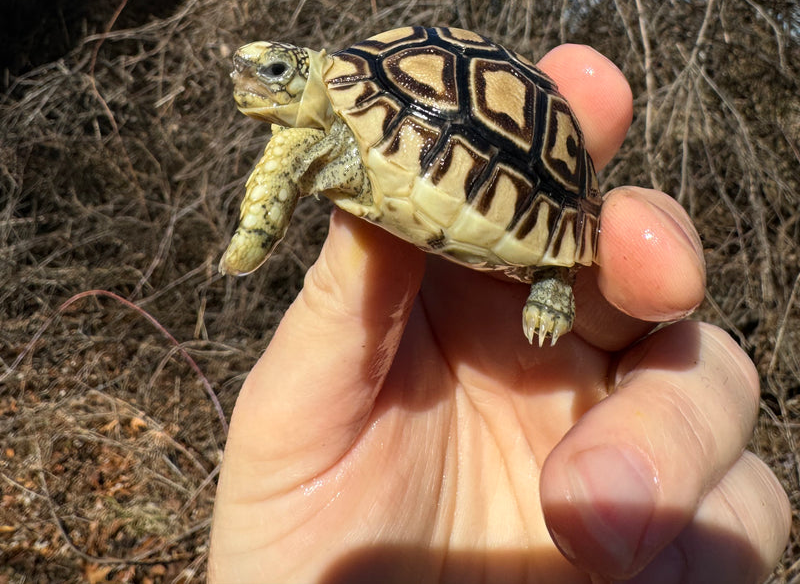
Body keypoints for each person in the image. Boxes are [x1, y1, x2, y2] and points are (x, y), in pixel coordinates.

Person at [208, 44, 790, 583]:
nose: (254, 80)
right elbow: (288, 160)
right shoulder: (322, 137)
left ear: (315, 76)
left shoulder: (351, 112)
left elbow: (285, 170)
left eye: (279, 71)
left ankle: (555, 273)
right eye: (251, 72)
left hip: (524, 197)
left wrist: (561, 262)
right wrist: (256, 230)